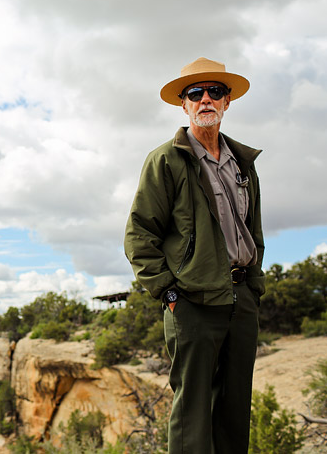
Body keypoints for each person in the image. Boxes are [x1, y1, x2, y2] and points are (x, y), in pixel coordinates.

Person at [124, 57, 265, 454]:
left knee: (235, 410)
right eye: (196, 93)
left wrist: (255, 286)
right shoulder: (166, 159)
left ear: (227, 101)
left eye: (215, 91)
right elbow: (139, 235)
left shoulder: (243, 164)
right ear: (183, 105)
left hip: (242, 300)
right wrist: (168, 294)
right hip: (191, 303)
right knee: (192, 413)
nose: (206, 99)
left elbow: (252, 231)